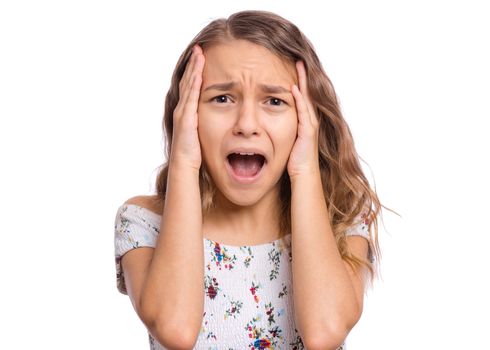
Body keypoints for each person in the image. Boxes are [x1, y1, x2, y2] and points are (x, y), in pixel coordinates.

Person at [114, 10, 385, 350]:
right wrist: (183, 161)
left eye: (274, 101)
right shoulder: (143, 221)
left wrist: (305, 170)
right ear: (187, 113)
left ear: (308, 118)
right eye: (221, 98)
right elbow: (175, 330)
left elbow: (324, 332)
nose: (246, 124)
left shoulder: (342, 217)